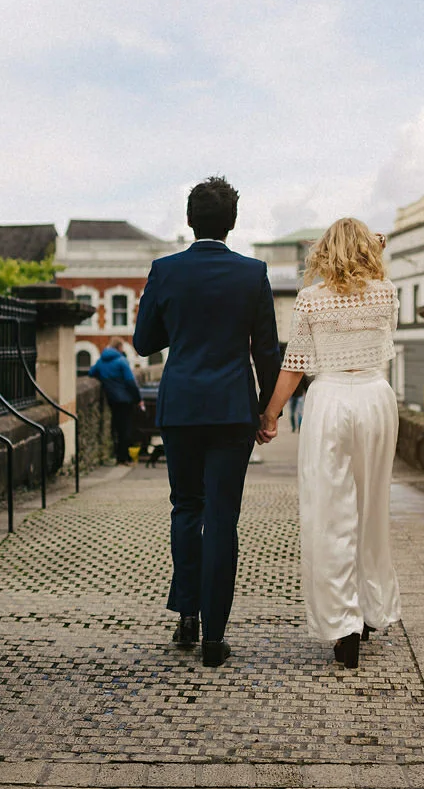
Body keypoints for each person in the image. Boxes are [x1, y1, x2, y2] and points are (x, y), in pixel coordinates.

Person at [133, 176, 282, 668]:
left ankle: (187, 616)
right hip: (231, 410)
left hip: (180, 408)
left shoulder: (165, 270)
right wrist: (266, 409)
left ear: (190, 219)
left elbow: (142, 342)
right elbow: (265, 349)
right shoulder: (252, 273)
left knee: (185, 508)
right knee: (223, 518)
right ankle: (215, 636)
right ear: (232, 223)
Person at [257, 218, 400, 669]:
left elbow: (294, 365)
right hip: (377, 401)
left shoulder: (311, 301)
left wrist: (271, 414)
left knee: (330, 513)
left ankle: (343, 625)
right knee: (371, 509)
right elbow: (377, 292)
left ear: (323, 253)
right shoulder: (386, 294)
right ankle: (373, 608)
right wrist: (377, 248)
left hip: (331, 401)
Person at [87, 338, 141, 465]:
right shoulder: (122, 361)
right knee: (126, 429)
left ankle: (118, 456)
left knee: (116, 428)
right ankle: (124, 458)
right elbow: (130, 382)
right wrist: (138, 399)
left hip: (112, 400)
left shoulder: (101, 361)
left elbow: (91, 373)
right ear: (119, 348)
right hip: (126, 400)